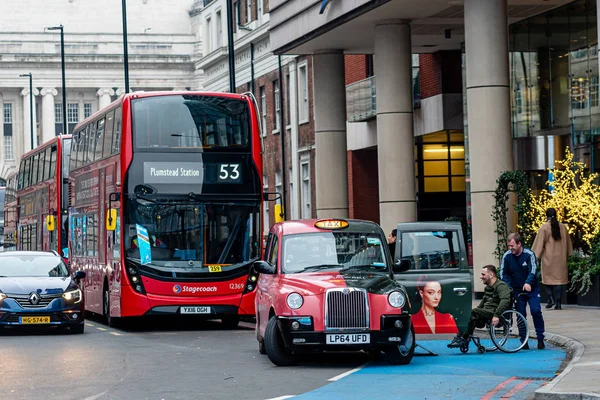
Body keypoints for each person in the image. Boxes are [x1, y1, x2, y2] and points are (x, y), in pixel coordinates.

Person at [448, 265, 511, 349]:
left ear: (491, 275)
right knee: (468, 313)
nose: (481, 277)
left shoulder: (501, 286)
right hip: (486, 312)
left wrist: (496, 315)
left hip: (495, 312)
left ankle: (465, 339)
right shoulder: (487, 288)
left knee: (474, 312)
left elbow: (505, 301)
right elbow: (483, 302)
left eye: (483, 274)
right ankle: (460, 337)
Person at [500, 232, 546, 349]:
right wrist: (508, 287)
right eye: (509, 246)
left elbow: (533, 270)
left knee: (536, 311)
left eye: (512, 246)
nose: (510, 249)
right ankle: (524, 340)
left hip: (531, 289)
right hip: (516, 290)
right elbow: (503, 273)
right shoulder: (507, 256)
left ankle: (540, 338)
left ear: (519, 244)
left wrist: (528, 282)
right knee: (520, 314)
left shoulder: (529, 254)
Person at [532, 208, 573, 310]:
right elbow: (568, 243)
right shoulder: (563, 227)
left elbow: (539, 244)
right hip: (561, 259)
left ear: (546, 215)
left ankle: (551, 298)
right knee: (559, 280)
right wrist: (569, 254)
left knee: (547, 279)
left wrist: (535, 256)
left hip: (548, 258)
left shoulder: (544, 228)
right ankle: (558, 303)